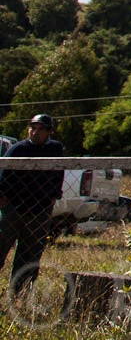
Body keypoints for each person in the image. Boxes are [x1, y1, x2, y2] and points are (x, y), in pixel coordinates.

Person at [0, 115, 64, 297]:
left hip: (40, 210)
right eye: (32, 128)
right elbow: (3, 175)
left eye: (40, 129)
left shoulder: (55, 149)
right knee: (1, 245)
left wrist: (54, 195)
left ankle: (18, 294)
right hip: (14, 208)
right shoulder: (17, 149)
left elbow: (59, 172)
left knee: (30, 254)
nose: (35, 132)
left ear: (49, 132)